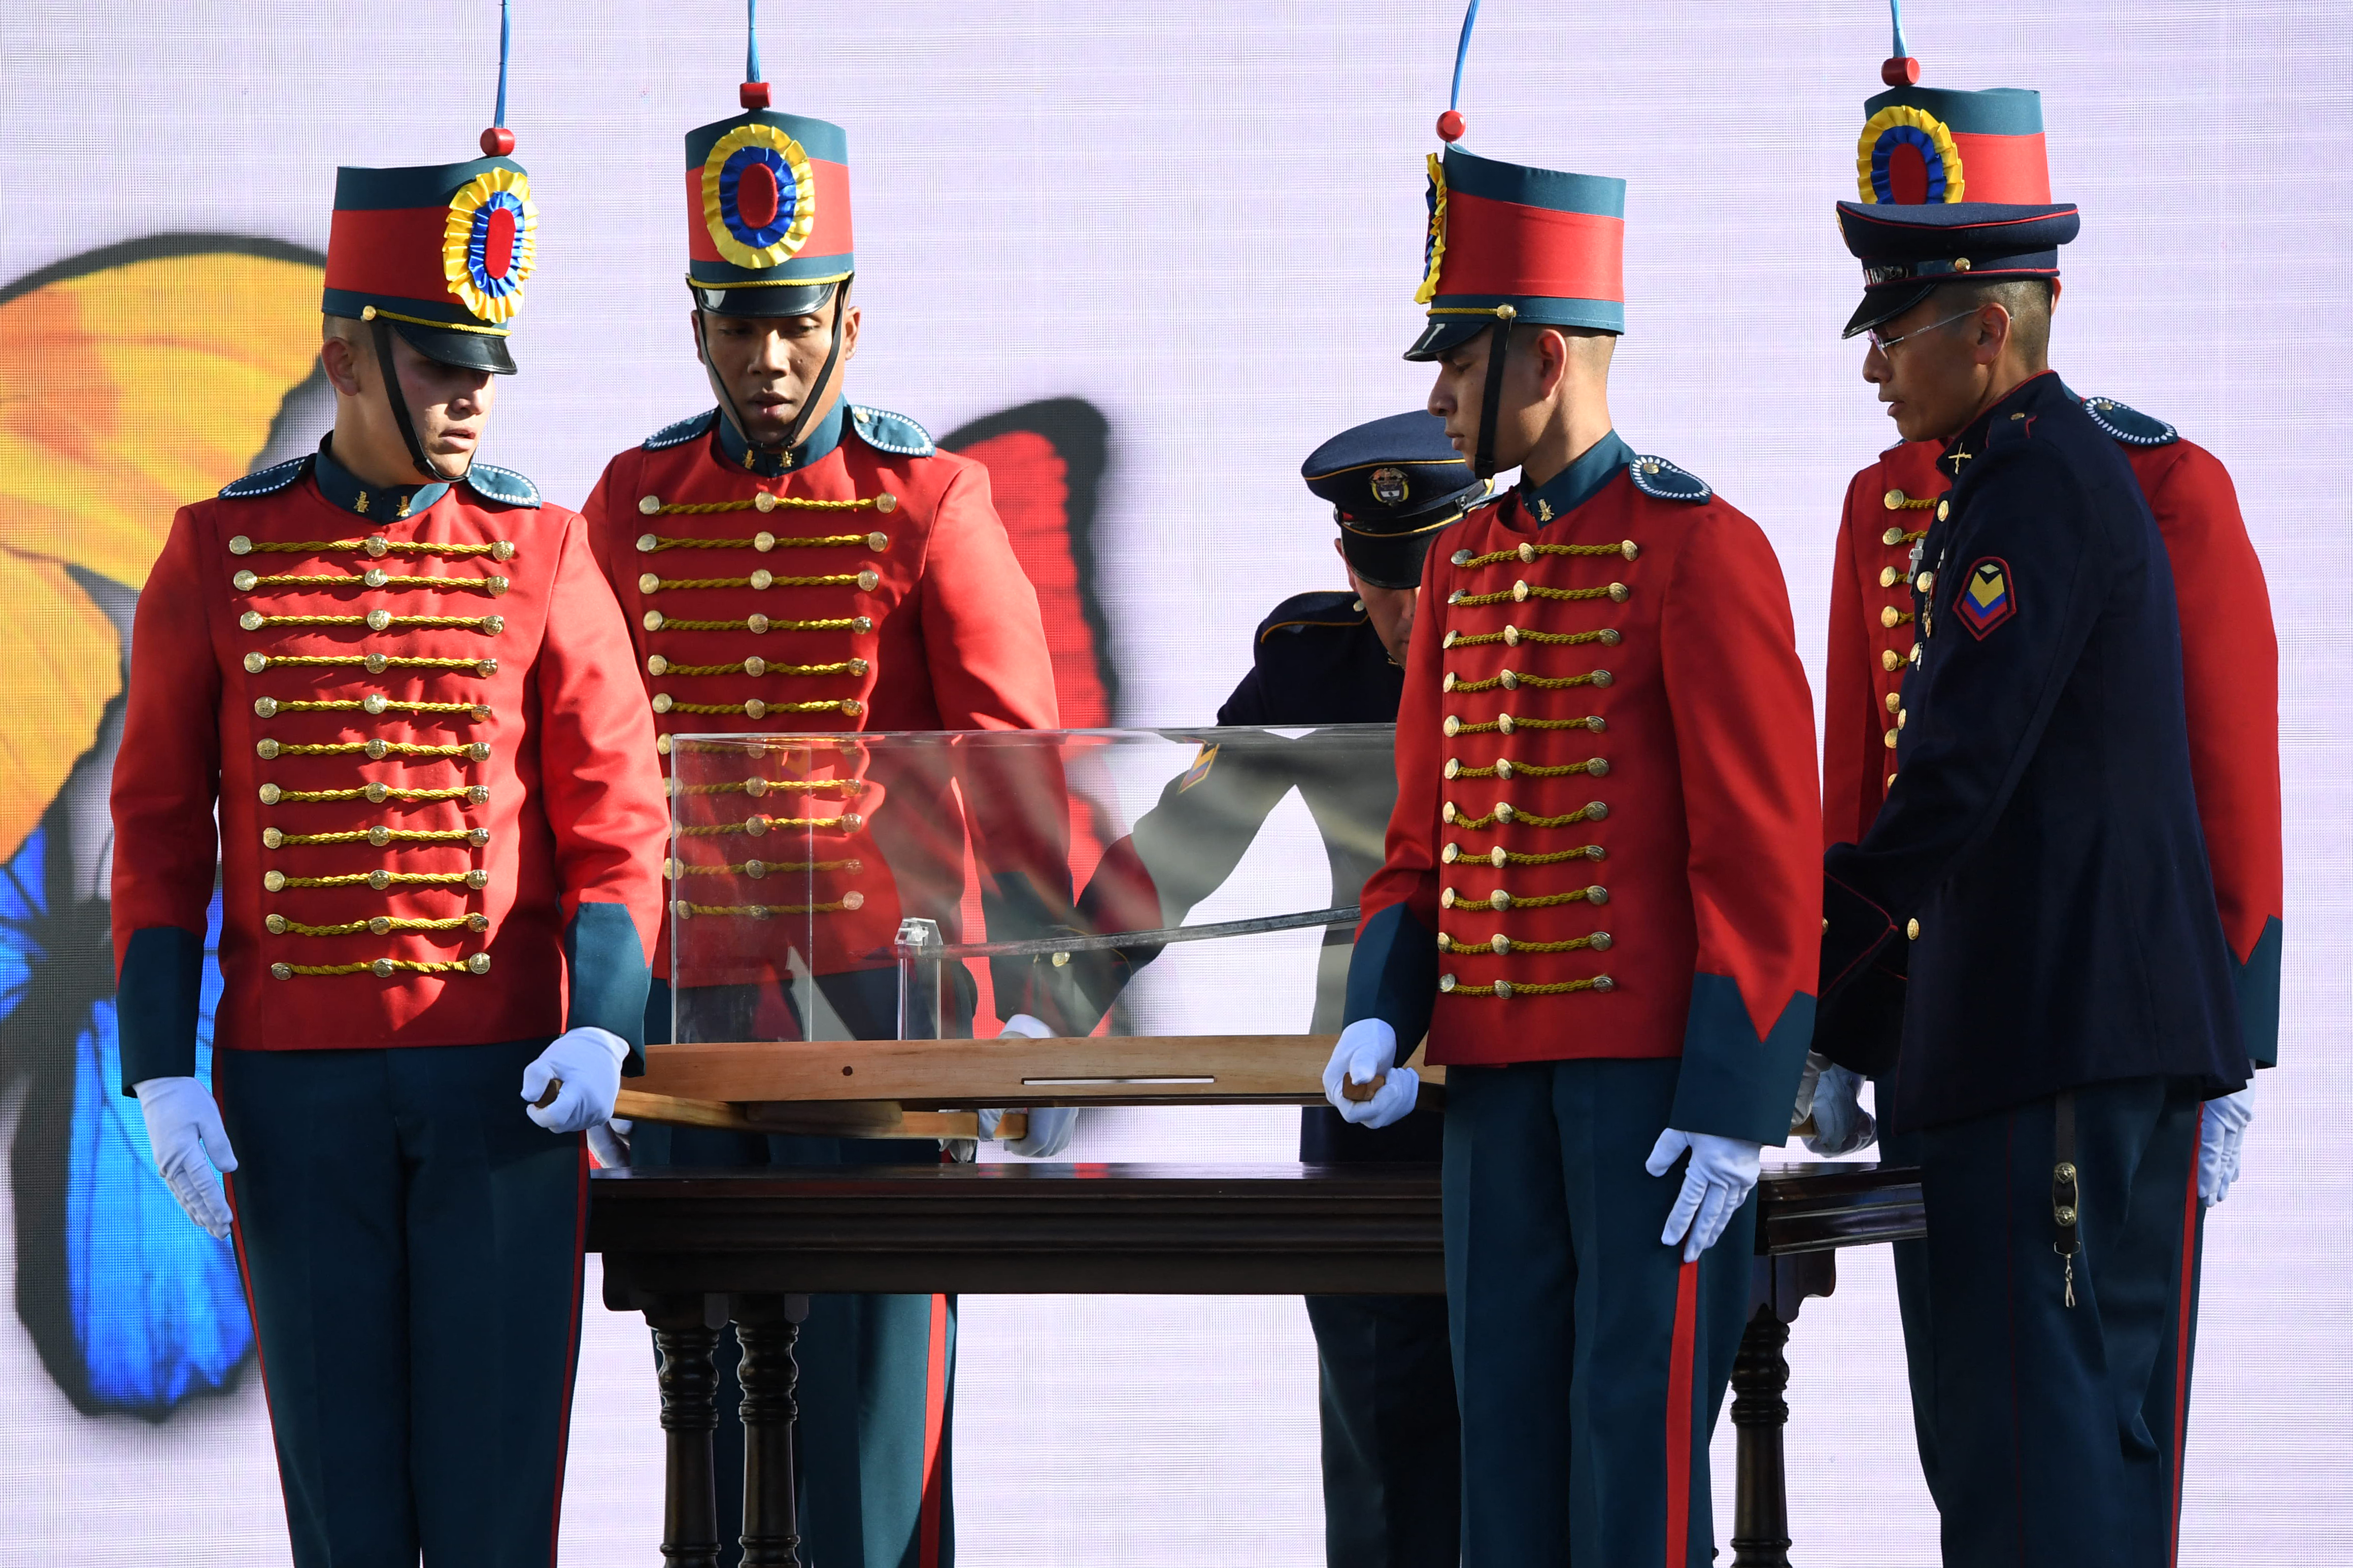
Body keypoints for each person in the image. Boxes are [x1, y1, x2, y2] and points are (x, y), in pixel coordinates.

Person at [110, 56, 667, 1568]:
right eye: (438, 362)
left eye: (486, 363)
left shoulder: (543, 549)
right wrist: (160, 1071)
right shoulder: (214, 554)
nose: (472, 392)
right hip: (291, 1099)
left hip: (501, 1083)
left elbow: (619, 811)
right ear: (350, 360)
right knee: (346, 1513)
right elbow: (159, 832)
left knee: (496, 1510)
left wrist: (603, 1017)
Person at [1322, 17, 1823, 1561]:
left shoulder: (1698, 546)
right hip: (1489, 1082)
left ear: (1542, 354)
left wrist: (1738, 1107)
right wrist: (1380, 1009)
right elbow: (1420, 839)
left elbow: (1762, 856)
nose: (1443, 388)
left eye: (1461, 358)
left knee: (1632, 1447)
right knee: (1507, 1446)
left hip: (1651, 1100)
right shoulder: (1464, 561)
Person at [575, 20, 1067, 1567]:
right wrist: (593, 1006)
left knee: (867, 1417)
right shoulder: (632, 499)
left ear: (849, 319)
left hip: (881, 1015)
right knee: (705, 1417)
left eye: (795, 324)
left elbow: (1015, 770)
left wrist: (1042, 1013)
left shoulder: (931, 497)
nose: (768, 360)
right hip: (691, 1011)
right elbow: (589, 772)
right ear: (697, 324)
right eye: (736, 325)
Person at [1810, 31, 2282, 1544]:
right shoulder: (2021, 479)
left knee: (2036, 1456)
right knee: (2040, 1444)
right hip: (2043, 1038)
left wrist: (1789, 975)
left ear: (1986, 332)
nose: (1874, 366)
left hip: (2047, 1043)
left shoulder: (2030, 490)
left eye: (1893, 331)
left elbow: (1954, 776)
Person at [1063, 411, 1482, 1567]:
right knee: (1384, 1457)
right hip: (1360, 1080)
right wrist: (1052, 1010)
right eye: (1375, 580)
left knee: (1524, 1445)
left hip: (1526, 1066)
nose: (1402, 615)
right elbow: (1181, 846)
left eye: (1426, 578)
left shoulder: (1550, 636)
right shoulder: (1316, 658)